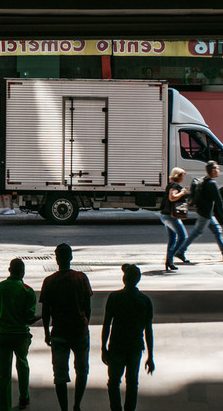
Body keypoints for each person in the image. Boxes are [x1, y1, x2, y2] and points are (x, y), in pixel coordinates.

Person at [40, 242, 93, 411]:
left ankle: (64, 408)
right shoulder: (81, 278)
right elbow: (88, 307)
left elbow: (46, 312)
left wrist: (47, 332)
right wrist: (85, 323)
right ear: (71, 257)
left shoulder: (49, 281)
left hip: (59, 331)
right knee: (82, 369)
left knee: (60, 374)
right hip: (79, 330)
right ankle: (77, 404)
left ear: (56, 259)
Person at [101, 264, 154, 411]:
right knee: (132, 382)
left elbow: (107, 325)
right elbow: (148, 330)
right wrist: (150, 356)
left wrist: (103, 347)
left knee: (113, 382)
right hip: (135, 345)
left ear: (124, 279)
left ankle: (116, 408)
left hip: (117, 344)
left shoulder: (114, 297)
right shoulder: (144, 301)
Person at [0, 256, 37, 411]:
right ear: (22, 272)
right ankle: (24, 397)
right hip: (20, 335)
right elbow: (28, 318)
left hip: (2, 334)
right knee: (22, 365)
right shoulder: (27, 291)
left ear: (9, 270)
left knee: (3, 373)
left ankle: (4, 406)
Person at [178, 162, 223, 262]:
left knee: (217, 231)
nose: (218, 171)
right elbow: (218, 200)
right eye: (217, 169)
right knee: (196, 232)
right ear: (213, 170)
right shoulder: (212, 184)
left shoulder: (204, 180)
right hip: (205, 214)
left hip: (204, 212)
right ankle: (180, 251)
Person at [159, 167, 189, 272]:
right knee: (183, 236)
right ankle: (171, 257)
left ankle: (169, 261)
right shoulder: (175, 186)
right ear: (178, 176)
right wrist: (182, 193)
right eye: (182, 176)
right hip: (171, 216)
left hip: (165, 215)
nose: (183, 178)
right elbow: (172, 198)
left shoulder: (170, 185)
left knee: (172, 238)